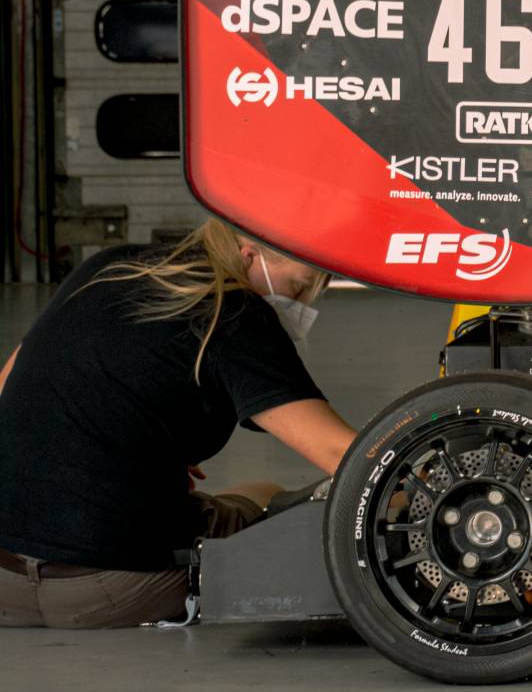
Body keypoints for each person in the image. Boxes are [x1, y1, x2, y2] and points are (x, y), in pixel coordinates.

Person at [0, 220, 358, 628]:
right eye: (298, 287)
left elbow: (8, 385)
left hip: (5, 579)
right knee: (267, 497)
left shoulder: (112, 264)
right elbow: (341, 455)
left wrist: (135, 440)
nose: (303, 305)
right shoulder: (237, 313)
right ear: (248, 255)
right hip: (108, 587)